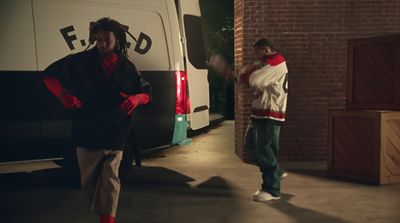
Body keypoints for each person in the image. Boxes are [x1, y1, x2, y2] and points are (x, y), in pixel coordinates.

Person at [42, 17, 151, 223]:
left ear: (117, 39)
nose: (101, 43)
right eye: (98, 39)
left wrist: (136, 99)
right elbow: (49, 76)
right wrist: (62, 95)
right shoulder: (79, 61)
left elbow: (146, 92)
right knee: (89, 182)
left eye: (106, 39)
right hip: (87, 130)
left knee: (110, 180)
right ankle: (103, 212)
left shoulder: (128, 68)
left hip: (116, 131)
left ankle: (107, 220)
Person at [235, 38, 288, 202]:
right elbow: (247, 74)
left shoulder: (276, 62)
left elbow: (253, 79)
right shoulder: (265, 63)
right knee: (250, 143)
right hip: (259, 112)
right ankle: (276, 172)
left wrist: (242, 74)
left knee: (265, 150)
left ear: (266, 49)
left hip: (270, 114)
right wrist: (244, 72)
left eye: (257, 52)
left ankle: (272, 189)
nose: (255, 56)